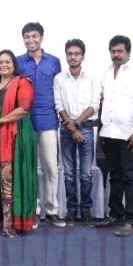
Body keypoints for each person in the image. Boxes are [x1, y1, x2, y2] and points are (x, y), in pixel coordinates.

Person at [98, 35, 133, 237]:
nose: (116, 54)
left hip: (130, 134)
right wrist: (102, 132)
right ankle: (115, 214)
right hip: (109, 133)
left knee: (130, 176)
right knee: (115, 175)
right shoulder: (105, 74)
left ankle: (131, 220)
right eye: (113, 51)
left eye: (120, 51)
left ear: (128, 52)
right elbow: (104, 103)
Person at [0, 50, 37, 237]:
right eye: (0, 62)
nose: (3, 65)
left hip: (15, 135)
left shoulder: (22, 82)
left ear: (14, 65)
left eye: (7, 62)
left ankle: (11, 223)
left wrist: (1, 121)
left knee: (11, 176)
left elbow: (24, 109)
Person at [16, 22, 65, 228]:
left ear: (41, 37)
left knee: (50, 168)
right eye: (27, 37)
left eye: (34, 36)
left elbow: (60, 89)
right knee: (29, 168)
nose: (31, 40)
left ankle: (52, 210)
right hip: (25, 122)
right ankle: (32, 211)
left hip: (48, 120)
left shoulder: (54, 62)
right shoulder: (18, 62)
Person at [54, 39, 100, 226]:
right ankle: (72, 210)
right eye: (69, 54)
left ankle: (86, 210)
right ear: (66, 56)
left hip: (86, 128)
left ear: (83, 56)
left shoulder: (92, 77)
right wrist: (72, 128)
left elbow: (94, 104)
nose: (73, 57)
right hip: (66, 129)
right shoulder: (59, 78)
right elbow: (59, 105)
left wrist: (77, 124)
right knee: (69, 173)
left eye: (76, 53)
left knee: (86, 173)